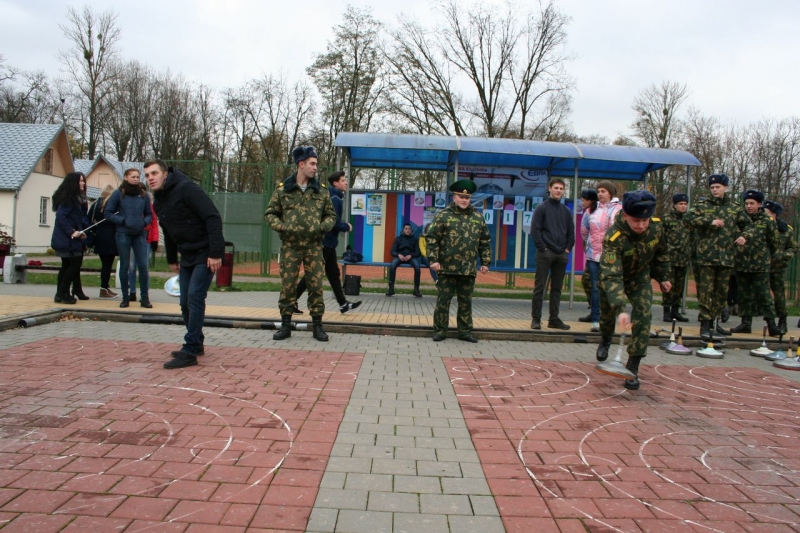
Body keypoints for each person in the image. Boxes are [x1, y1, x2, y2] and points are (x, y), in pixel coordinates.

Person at [145, 159, 225, 369]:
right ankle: (196, 342)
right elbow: (169, 232)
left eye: (154, 173)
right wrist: (172, 259)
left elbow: (212, 217)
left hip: (206, 251)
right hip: (188, 255)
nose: (150, 178)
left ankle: (189, 350)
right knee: (184, 301)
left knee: (195, 296)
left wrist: (216, 253)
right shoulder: (158, 201)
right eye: (147, 175)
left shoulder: (187, 189)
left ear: (165, 174)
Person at [596, 191, 671, 391]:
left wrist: (663, 276)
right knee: (608, 315)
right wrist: (621, 308)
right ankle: (605, 339)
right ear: (626, 215)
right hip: (614, 280)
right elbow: (611, 275)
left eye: (645, 220)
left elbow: (662, 252)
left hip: (640, 278)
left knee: (644, 316)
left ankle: (633, 367)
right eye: (636, 220)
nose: (641, 226)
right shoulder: (614, 237)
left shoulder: (656, 227)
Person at [265, 145, 337, 342]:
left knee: (316, 286)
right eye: (312, 164)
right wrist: (282, 227)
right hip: (291, 246)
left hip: (314, 246)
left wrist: (322, 227)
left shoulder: (320, 192)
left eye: (316, 164)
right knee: (288, 285)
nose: (315, 168)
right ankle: (285, 325)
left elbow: (331, 215)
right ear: (301, 164)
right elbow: (270, 213)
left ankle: (318, 326)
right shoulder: (283, 191)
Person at [684, 174, 752, 341]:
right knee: (706, 292)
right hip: (706, 257)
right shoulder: (702, 205)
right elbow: (687, 219)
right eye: (712, 187)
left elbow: (749, 225)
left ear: (725, 188)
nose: (714, 190)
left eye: (718, 187)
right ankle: (705, 324)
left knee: (721, 292)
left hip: (726, 257)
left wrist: (745, 236)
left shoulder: (734, 207)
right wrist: (709, 221)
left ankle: (715, 323)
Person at [427, 179, 491, 342]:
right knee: (443, 301)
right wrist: (433, 260)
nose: (464, 200)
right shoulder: (443, 216)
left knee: (465, 302)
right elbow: (432, 238)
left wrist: (485, 262)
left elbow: (485, 241)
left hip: (467, 269)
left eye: (467, 197)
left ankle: (465, 331)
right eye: (460, 197)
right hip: (446, 268)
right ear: (454, 197)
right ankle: (440, 331)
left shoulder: (477, 218)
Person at [295, 170, 361, 314]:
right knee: (311, 274)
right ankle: (290, 301)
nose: (346, 183)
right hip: (325, 243)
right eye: (343, 181)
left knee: (333, 273)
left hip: (328, 244)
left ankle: (343, 304)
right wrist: (347, 226)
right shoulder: (335, 199)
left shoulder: (329, 196)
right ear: (335, 183)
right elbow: (333, 223)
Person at [729, 190, 780, 335]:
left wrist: (764, 255)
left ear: (759, 204)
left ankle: (771, 324)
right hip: (741, 264)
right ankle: (745, 323)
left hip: (760, 266)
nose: (749, 206)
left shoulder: (766, 221)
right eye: (746, 203)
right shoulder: (739, 220)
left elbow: (774, 243)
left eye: (752, 203)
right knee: (744, 295)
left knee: (764, 295)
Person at [105, 168, 153, 309]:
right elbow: (108, 212)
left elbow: (149, 214)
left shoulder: (143, 194)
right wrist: (122, 221)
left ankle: (145, 298)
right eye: (133, 176)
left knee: (143, 267)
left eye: (138, 176)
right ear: (126, 177)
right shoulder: (118, 194)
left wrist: (144, 222)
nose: (136, 179)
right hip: (123, 233)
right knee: (125, 266)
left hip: (139, 234)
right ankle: (125, 298)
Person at [531, 177, 575, 330]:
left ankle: (554, 319)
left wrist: (567, 249)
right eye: (556, 188)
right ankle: (536, 319)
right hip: (545, 253)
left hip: (561, 255)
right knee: (540, 287)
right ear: (550, 188)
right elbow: (535, 230)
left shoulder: (566, 211)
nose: (558, 191)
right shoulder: (541, 208)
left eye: (561, 188)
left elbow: (571, 232)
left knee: (557, 288)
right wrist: (543, 248)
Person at [581, 182, 621, 332]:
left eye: (603, 191)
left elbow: (621, 232)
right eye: (598, 191)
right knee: (595, 288)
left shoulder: (618, 210)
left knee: (610, 288)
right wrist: (591, 245)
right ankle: (596, 320)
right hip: (593, 256)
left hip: (611, 256)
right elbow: (584, 231)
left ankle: (610, 319)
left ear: (610, 193)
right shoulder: (591, 210)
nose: (600, 194)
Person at [50, 172, 89, 304]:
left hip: (69, 238)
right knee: (74, 265)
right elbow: (61, 217)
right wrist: (71, 232)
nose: (83, 183)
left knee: (66, 266)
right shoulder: (70, 199)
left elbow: (75, 218)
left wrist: (81, 231)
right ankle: (62, 292)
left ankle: (61, 293)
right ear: (73, 183)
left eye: (83, 181)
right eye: (80, 181)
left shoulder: (74, 199)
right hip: (67, 240)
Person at [763, 200, 798, 334]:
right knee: (763, 296)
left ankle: (782, 321)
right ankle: (770, 324)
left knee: (779, 296)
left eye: (766, 213)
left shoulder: (785, 230)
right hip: (761, 267)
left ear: (774, 214)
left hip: (777, 268)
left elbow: (793, 247)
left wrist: (782, 256)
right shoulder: (760, 227)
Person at [661, 193, 691, 322]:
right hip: (669, 259)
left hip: (683, 259)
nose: (683, 207)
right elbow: (661, 238)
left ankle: (675, 310)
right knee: (668, 286)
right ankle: (666, 311)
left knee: (679, 286)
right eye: (680, 204)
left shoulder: (688, 220)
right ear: (674, 205)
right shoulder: (667, 219)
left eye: (685, 204)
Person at [87, 184, 119, 299]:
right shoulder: (112, 204)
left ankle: (105, 286)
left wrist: (95, 230)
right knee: (107, 264)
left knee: (105, 263)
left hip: (99, 236)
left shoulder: (95, 204)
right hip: (111, 236)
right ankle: (103, 288)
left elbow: (89, 219)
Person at [128, 194, 159, 302]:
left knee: (143, 267)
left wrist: (155, 239)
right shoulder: (132, 205)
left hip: (146, 239)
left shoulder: (150, 207)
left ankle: (144, 293)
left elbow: (154, 224)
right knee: (131, 267)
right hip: (134, 237)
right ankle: (132, 291)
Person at [578, 189, 598, 324]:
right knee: (587, 280)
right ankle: (594, 309)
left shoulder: (599, 212)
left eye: (583, 200)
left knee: (599, 284)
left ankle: (600, 312)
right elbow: (584, 232)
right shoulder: (588, 213)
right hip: (592, 253)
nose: (581, 202)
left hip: (603, 254)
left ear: (590, 201)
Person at [386, 223, 422, 297]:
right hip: (400, 257)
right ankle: (391, 289)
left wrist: (411, 255)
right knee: (393, 265)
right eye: (406, 228)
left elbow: (418, 252)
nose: (408, 230)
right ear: (403, 230)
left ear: (411, 230)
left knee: (417, 267)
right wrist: (398, 255)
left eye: (409, 229)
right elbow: (392, 251)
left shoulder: (415, 240)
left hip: (411, 257)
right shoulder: (398, 239)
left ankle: (416, 290)